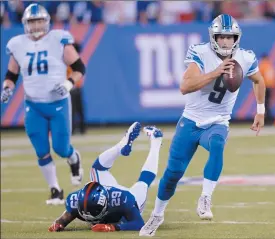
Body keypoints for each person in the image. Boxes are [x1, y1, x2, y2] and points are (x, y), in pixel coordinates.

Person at [139, 14, 266, 237]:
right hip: (191, 120)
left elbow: (259, 80)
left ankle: (206, 197)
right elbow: (185, 86)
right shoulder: (200, 52)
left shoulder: (245, 57)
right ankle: (157, 215)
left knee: (218, 143)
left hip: (218, 121)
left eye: (230, 37)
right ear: (213, 37)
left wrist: (261, 111)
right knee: (172, 174)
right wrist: (216, 72)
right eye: (222, 37)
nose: (226, 42)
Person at [0, 4, 85, 205]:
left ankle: (74, 159)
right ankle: (55, 189)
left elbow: (79, 67)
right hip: (33, 105)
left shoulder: (58, 39)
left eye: (39, 21)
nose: (36, 25)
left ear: (46, 22)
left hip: (58, 103)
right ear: (25, 24)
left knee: (61, 148)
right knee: (41, 149)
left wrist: (68, 83)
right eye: (32, 21)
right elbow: (11, 74)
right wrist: (7, 88)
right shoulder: (17, 44)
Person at [48, 122, 163, 232]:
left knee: (143, 182)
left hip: (128, 199)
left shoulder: (123, 199)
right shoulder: (74, 201)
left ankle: (156, 141)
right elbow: (64, 218)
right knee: (96, 168)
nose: (91, 219)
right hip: (107, 190)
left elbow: (138, 223)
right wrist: (59, 223)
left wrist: (113, 227)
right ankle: (121, 145)